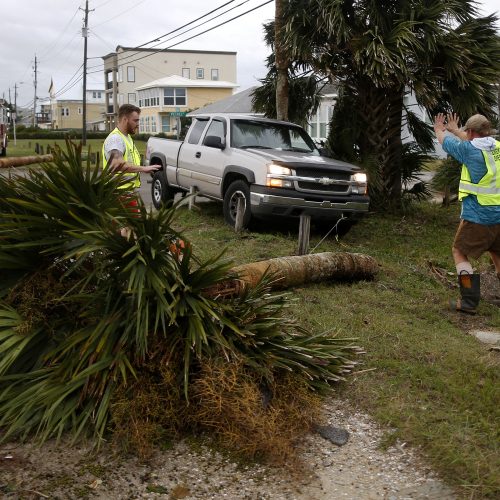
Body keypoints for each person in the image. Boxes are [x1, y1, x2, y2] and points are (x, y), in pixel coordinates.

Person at [433, 112, 500, 314]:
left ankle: (469, 300)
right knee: (497, 252)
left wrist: (440, 129)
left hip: (479, 214)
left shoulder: (468, 151)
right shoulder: (497, 147)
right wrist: (457, 130)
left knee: (459, 251)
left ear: (470, 131)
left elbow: (446, 142)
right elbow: (473, 142)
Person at [102, 104, 159, 236]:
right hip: (119, 193)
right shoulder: (115, 139)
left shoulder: (126, 138)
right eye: (136, 120)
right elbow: (117, 164)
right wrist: (143, 168)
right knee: (137, 229)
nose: (138, 124)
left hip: (125, 192)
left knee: (123, 231)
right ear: (125, 120)